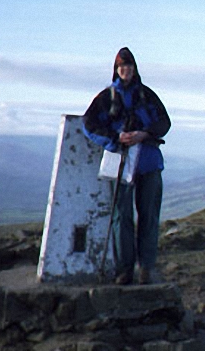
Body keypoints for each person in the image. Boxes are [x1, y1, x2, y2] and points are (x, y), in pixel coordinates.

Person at [83, 47, 171, 285]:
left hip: (149, 163)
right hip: (120, 163)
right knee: (121, 216)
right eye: (122, 67)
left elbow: (164, 122)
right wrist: (114, 139)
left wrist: (144, 134)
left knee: (149, 215)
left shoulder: (147, 95)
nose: (126, 71)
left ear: (135, 68)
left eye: (129, 66)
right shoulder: (106, 98)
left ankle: (146, 268)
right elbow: (88, 124)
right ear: (116, 70)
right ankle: (125, 269)